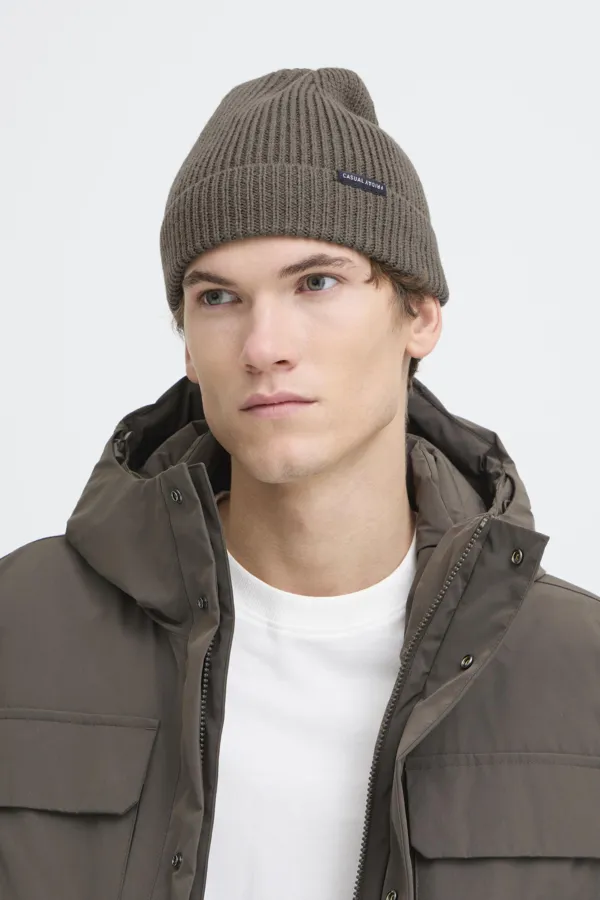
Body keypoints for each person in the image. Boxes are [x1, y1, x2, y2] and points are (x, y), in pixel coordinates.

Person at [0, 67, 598, 900]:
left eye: (316, 282)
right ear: (187, 344)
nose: (263, 346)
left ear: (420, 315)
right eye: (219, 297)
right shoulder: (20, 626)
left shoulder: (579, 669)